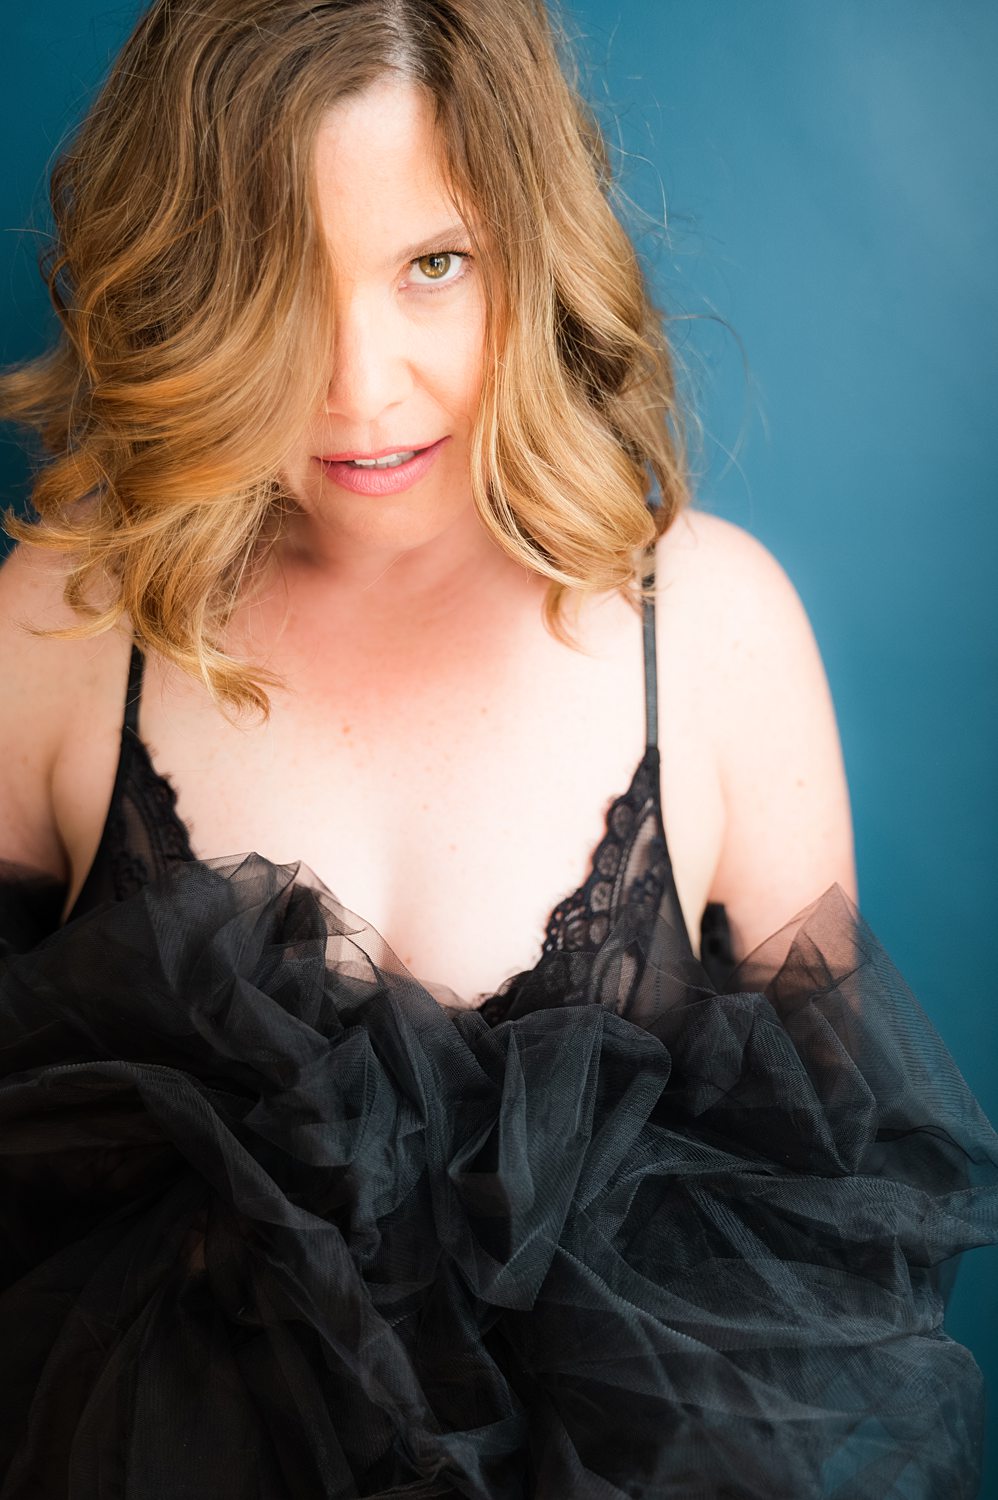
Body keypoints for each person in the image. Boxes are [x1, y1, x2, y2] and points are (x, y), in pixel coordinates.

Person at [0, 1, 995, 1496]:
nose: (360, 383)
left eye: (433, 266)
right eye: (280, 278)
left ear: (530, 251)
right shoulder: (58, 625)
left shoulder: (713, 630)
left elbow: (830, 1239)